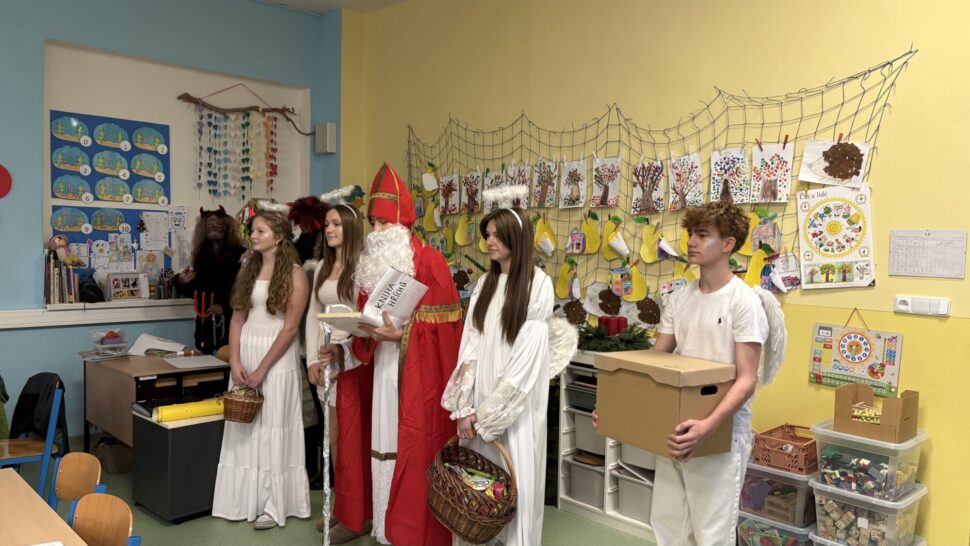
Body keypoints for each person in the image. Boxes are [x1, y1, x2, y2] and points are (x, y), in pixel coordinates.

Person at [594, 200, 768, 545]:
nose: (691, 242)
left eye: (703, 235)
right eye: (691, 234)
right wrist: (615, 408)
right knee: (668, 524)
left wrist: (708, 425)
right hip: (676, 425)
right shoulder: (680, 298)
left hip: (720, 431)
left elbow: (747, 378)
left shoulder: (744, 302)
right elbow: (654, 362)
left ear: (728, 244)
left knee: (710, 533)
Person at [318, 163, 463, 545]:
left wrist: (403, 335)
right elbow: (367, 322)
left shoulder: (430, 263)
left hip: (415, 378)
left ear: (403, 223)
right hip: (380, 372)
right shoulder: (375, 267)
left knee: (409, 448)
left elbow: (447, 334)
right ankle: (384, 527)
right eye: (374, 223)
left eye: (383, 223)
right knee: (380, 446)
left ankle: (409, 531)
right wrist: (346, 346)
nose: (377, 232)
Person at [441, 207, 555, 546]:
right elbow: (470, 345)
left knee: (515, 480)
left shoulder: (538, 284)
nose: (490, 241)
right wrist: (465, 408)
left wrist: (490, 416)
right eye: (487, 235)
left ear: (516, 238)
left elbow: (525, 361)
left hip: (514, 408)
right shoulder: (485, 284)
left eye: (497, 235)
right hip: (479, 400)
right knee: (477, 486)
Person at [211, 210, 311, 530]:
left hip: (276, 359)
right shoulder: (248, 269)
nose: (253, 236)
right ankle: (242, 499)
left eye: (260, 231)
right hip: (247, 353)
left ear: (279, 237)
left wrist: (263, 369)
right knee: (245, 429)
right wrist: (235, 361)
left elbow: (290, 328)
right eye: (252, 230)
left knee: (273, 427)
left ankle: (272, 503)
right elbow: (237, 318)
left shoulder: (295, 274)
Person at [305, 203, 368, 541]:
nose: (329, 230)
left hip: (350, 363)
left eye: (336, 224)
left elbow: (365, 320)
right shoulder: (321, 268)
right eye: (327, 224)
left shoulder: (363, 268)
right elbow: (313, 316)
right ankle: (342, 508)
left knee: (348, 444)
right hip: (325, 362)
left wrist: (344, 352)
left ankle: (356, 517)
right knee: (332, 443)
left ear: (350, 228)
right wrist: (313, 361)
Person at [173, 206, 246, 354]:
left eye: (218, 224)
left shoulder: (240, 255)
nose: (214, 227)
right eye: (210, 224)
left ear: (227, 228)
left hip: (231, 325)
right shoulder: (201, 256)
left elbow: (245, 290)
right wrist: (180, 281)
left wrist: (224, 307)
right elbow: (197, 291)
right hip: (205, 327)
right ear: (203, 229)